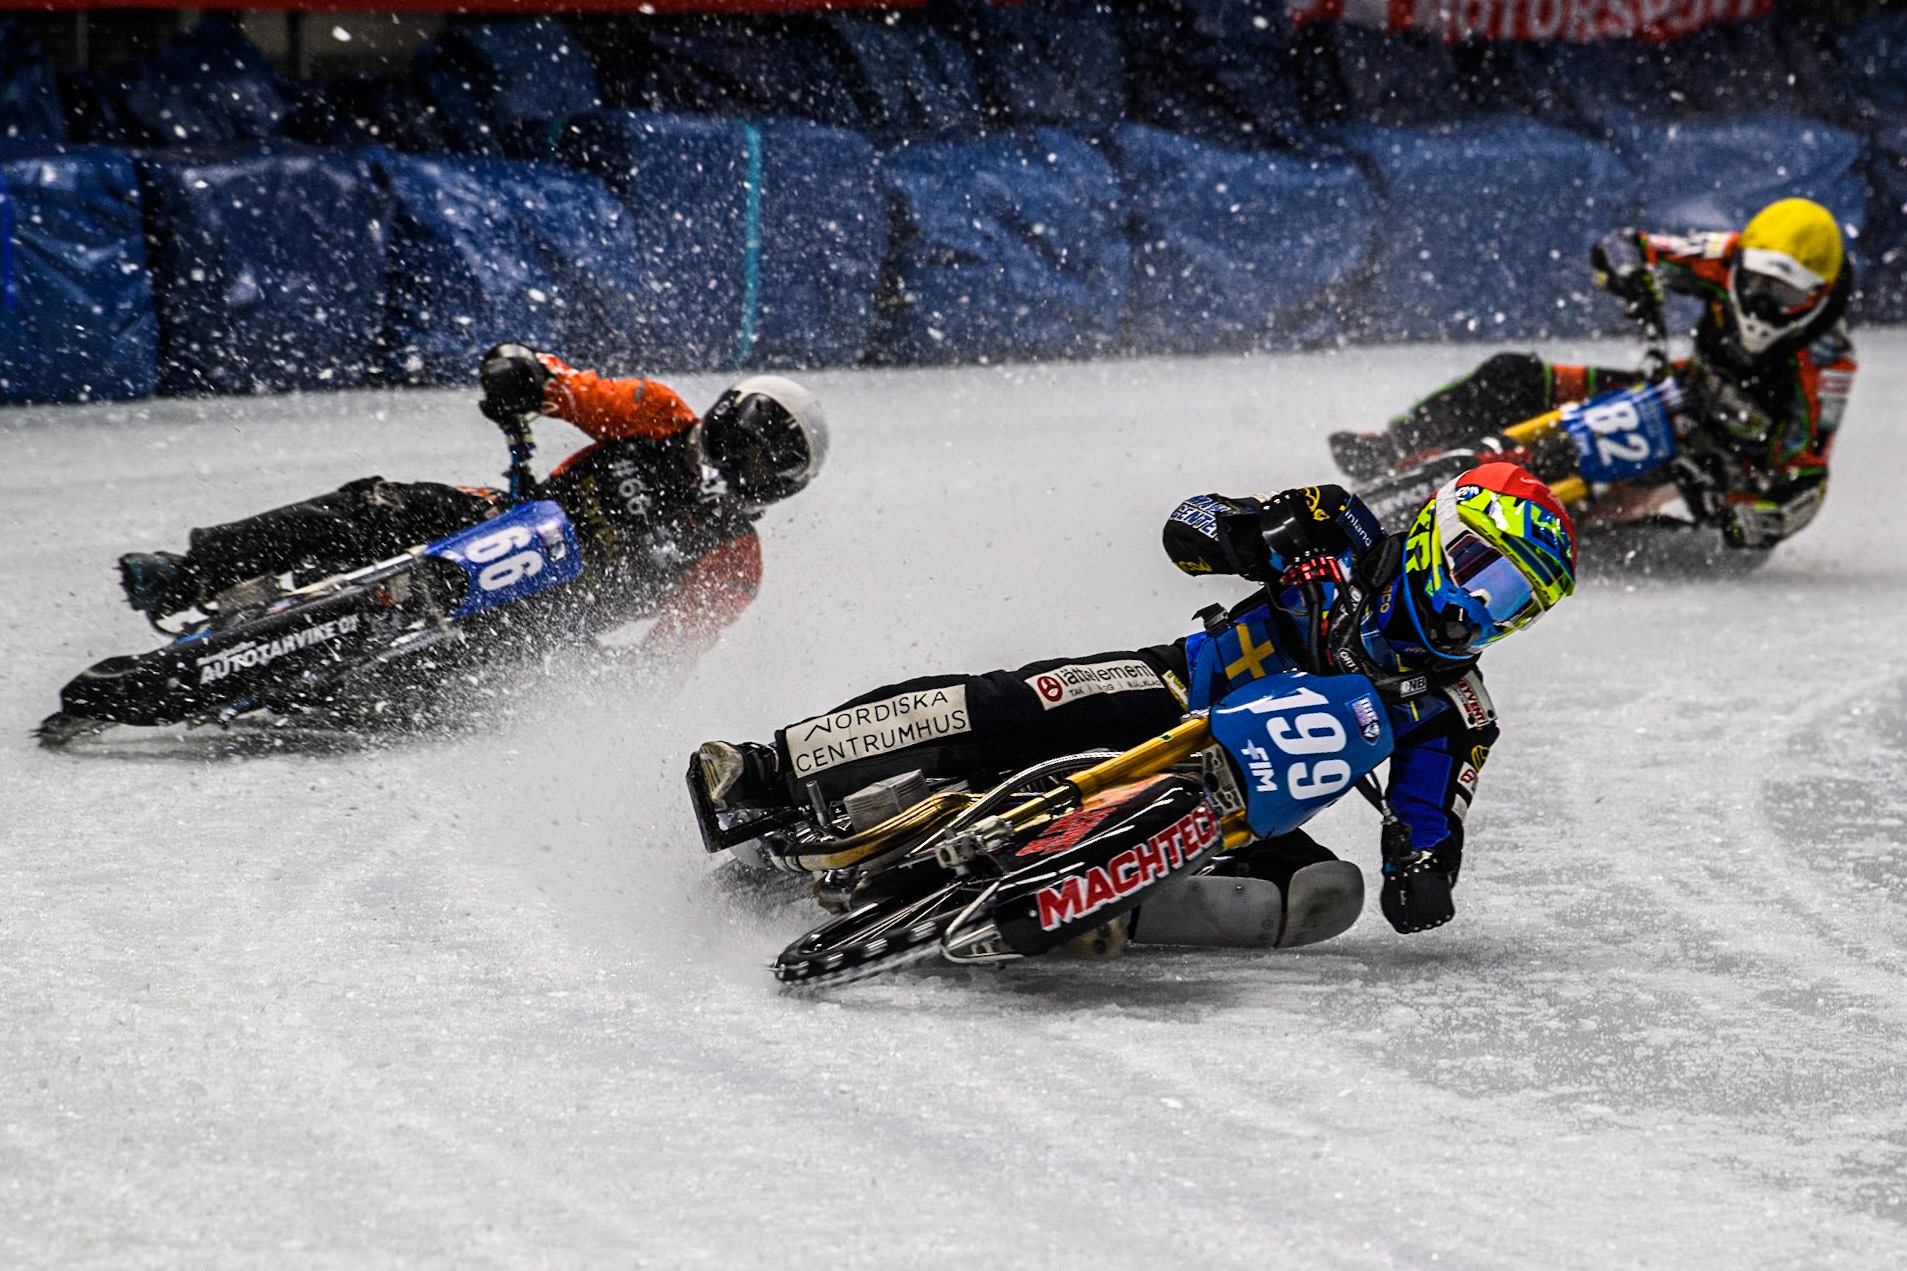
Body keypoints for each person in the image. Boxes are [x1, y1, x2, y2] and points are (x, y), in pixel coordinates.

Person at [694, 465, 1576, 946]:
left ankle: (1100, 908)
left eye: (1512, 604)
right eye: (1480, 573)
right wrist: (1250, 531)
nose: (1477, 611)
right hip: (1171, 689)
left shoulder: (1457, 708)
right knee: (1013, 703)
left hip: (1241, 801)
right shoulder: (1337, 527)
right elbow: (1185, 524)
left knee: (1319, 891)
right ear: (1437, 533)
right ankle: (772, 768)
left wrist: (1421, 867)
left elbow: (1429, 820)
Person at [114, 344, 829, 669]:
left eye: (766, 466)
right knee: (374, 506)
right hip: (502, 517)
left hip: (544, 625)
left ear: (778, 488)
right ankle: (190, 573)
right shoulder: (656, 414)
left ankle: (330, 689)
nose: (741, 466)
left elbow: (668, 660)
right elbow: (569, 388)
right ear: (725, 416)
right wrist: (525, 372)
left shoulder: (735, 562)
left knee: (467, 690)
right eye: (745, 444)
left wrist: (608, 680)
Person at [1329, 197, 1855, 551]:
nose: (1762, 306)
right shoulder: (1724, 256)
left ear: (1818, 295)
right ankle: (1399, 441)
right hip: (1674, 388)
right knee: (1515, 374)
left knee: (1690, 538)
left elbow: (1807, 475)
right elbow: (1622, 245)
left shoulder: (1828, 363)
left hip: (1728, 457)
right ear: (1743, 263)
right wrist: (1631, 278)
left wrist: (1758, 513)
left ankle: (1582, 538)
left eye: (1784, 295)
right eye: (1758, 285)